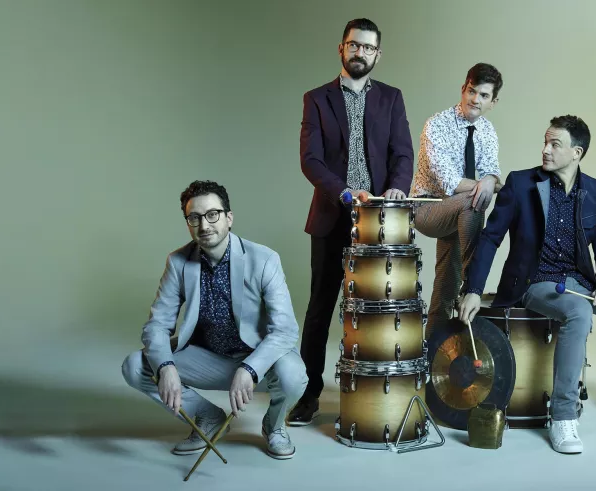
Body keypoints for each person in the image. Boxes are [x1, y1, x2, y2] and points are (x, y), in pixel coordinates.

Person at [459, 116, 596, 454]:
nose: (545, 149)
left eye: (554, 144)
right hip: (536, 281)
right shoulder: (520, 184)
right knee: (578, 312)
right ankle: (562, 417)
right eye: (545, 142)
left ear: (577, 152)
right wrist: (473, 288)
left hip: (583, 282)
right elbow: (490, 238)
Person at [121, 180, 307, 460]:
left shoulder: (265, 259)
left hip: (257, 361)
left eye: (212, 215)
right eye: (194, 218)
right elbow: (157, 325)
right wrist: (167, 367)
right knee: (136, 366)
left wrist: (250, 368)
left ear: (228, 218)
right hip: (207, 359)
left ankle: (274, 426)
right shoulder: (178, 262)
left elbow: (284, 330)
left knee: (293, 375)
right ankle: (208, 418)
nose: (204, 225)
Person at [291, 18, 414, 426]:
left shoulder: (392, 98)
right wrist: (345, 192)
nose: (360, 52)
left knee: (377, 309)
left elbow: (403, 154)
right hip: (332, 214)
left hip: (379, 219)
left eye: (368, 47)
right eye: (354, 45)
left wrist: (396, 189)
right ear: (341, 48)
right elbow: (310, 160)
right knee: (320, 308)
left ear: (378, 54)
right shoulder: (317, 98)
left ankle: (370, 390)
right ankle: (308, 394)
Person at [410, 62, 504, 338]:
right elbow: (450, 183)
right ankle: (473, 282)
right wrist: (488, 183)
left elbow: (493, 174)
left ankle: (431, 359)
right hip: (427, 209)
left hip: (461, 216)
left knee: (445, 289)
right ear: (463, 89)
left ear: (493, 102)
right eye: (472, 91)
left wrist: (492, 180)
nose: (475, 100)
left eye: (484, 95)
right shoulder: (436, 125)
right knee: (473, 199)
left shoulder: (488, 131)